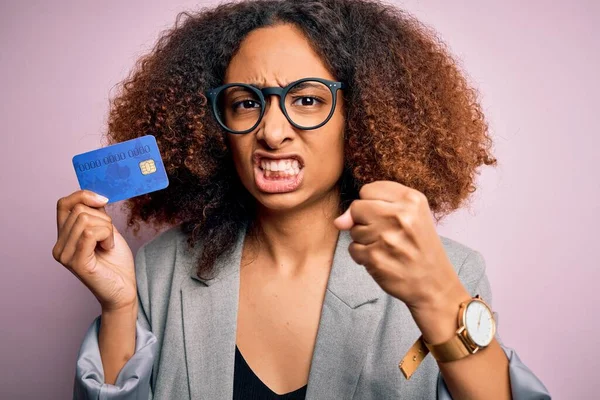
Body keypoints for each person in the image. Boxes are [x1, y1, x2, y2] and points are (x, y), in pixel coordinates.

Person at [53, 0, 551, 398]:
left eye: (307, 99)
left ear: (360, 116)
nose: (272, 131)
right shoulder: (160, 269)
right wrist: (118, 307)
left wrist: (439, 297)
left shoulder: (449, 269)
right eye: (246, 102)